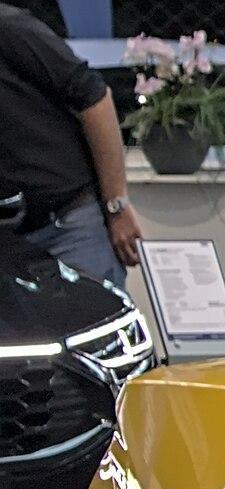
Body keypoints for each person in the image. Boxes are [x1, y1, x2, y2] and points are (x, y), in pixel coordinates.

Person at [0, 2, 140, 281]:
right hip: (9, 241)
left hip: (69, 226)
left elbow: (95, 98)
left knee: (93, 309)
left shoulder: (8, 27)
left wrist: (116, 205)